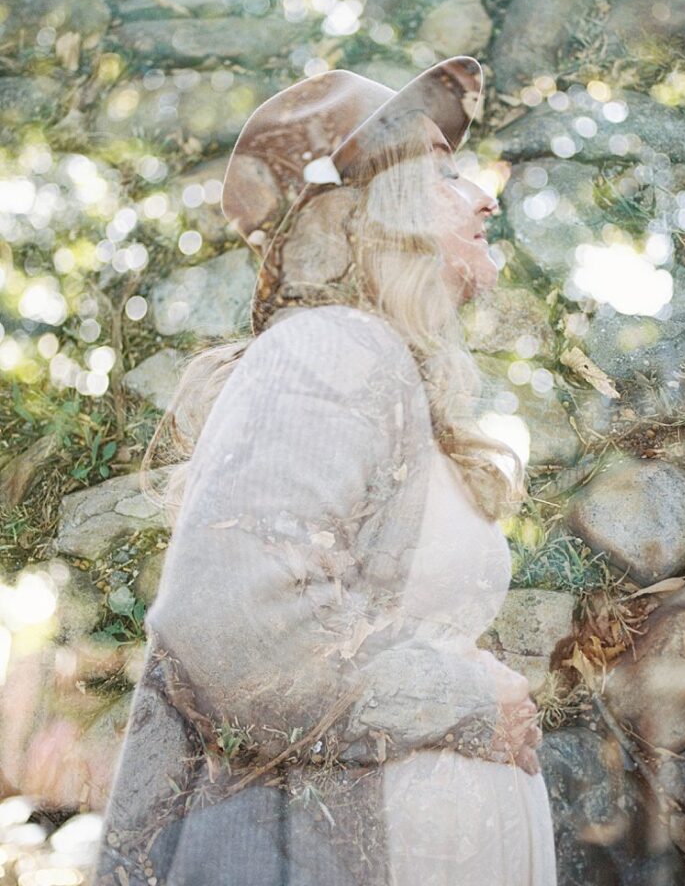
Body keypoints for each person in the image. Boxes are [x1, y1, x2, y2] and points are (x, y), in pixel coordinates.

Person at [92, 55, 558, 885]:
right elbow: (233, 622)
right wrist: (463, 699)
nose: (488, 197)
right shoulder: (332, 349)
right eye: (448, 174)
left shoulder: (387, 378)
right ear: (385, 208)